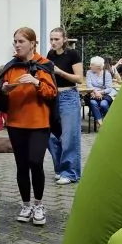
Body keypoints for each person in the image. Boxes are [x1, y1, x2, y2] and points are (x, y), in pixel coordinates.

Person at [0, 27, 57, 226]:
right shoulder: (11, 66)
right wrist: (3, 90)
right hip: (16, 123)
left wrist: (36, 82)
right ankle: (26, 205)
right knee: (21, 165)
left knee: (35, 162)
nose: (17, 45)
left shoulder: (44, 64)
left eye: (21, 41)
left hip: (39, 123)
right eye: (15, 41)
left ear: (32, 43)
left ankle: (39, 205)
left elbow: (51, 93)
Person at [46, 28, 84, 185]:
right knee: (50, 136)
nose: (53, 42)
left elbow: (79, 79)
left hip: (69, 97)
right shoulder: (50, 55)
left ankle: (71, 173)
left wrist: (59, 72)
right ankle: (60, 168)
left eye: (56, 39)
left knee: (69, 137)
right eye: (51, 39)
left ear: (64, 40)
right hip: (53, 97)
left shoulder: (72, 54)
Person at [86, 56, 116, 127]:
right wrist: (95, 92)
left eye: (92, 64)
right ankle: (100, 123)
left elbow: (109, 88)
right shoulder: (89, 73)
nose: (90, 66)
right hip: (92, 94)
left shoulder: (107, 74)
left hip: (104, 94)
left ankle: (108, 120)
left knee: (104, 104)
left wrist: (100, 92)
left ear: (98, 66)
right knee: (93, 102)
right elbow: (89, 85)